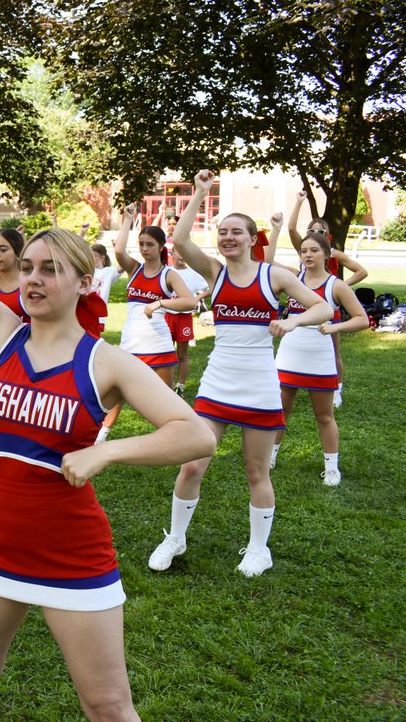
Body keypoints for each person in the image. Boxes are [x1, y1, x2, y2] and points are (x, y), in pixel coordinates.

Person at [0, 111, 216, 722]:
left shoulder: (105, 361)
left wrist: (107, 450)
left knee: (108, 704)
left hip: (71, 552)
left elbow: (194, 433)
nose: (32, 280)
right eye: (28, 268)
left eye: (49, 270)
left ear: (85, 282)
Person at [148, 170, 333, 578]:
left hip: (260, 384)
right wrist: (200, 192)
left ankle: (257, 549)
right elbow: (178, 242)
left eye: (237, 231)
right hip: (217, 382)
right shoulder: (215, 273)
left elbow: (323, 308)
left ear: (253, 238)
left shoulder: (275, 275)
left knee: (256, 471)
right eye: (223, 231)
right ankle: (176, 537)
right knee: (192, 464)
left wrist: (293, 323)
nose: (228, 236)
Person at [271, 233, 368, 485]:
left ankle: (332, 467)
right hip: (290, 351)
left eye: (314, 250)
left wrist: (336, 328)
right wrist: (277, 228)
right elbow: (267, 261)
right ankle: (270, 456)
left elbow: (362, 319)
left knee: (324, 415)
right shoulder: (294, 278)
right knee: (279, 409)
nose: (308, 255)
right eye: (304, 250)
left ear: (327, 254)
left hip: (319, 354)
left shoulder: (336, 285)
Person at [97, 204, 197, 442]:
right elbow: (119, 250)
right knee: (115, 394)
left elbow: (190, 302)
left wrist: (161, 303)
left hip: (159, 346)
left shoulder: (168, 274)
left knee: (165, 398)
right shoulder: (135, 269)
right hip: (130, 344)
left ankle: (173, 437)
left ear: (162, 246)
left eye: (149, 244)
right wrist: (127, 219)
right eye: (141, 244)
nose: (144, 249)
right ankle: (100, 435)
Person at [284, 189, 368, 407]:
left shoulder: (334, 253)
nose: (315, 233)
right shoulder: (304, 250)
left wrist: (341, 289)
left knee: (333, 349)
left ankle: (336, 387)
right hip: (306, 302)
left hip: (329, 302)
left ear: (327, 234)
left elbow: (361, 271)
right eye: (311, 230)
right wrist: (299, 201)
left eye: (320, 231)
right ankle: (297, 379)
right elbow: (291, 228)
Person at [167, 246, 210, 395]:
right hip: (166, 316)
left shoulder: (194, 274)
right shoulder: (166, 271)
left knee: (182, 354)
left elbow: (211, 286)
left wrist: (197, 298)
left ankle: (181, 386)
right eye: (179, 252)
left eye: (185, 252)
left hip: (183, 318)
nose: (182, 256)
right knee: (167, 352)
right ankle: (168, 385)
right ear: (172, 254)